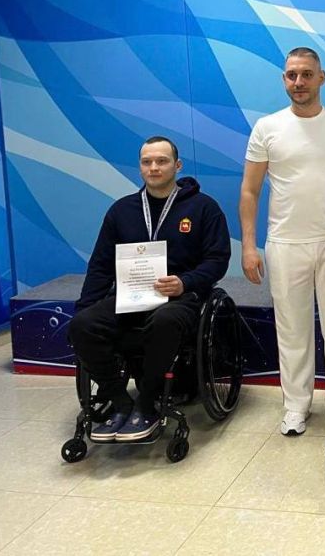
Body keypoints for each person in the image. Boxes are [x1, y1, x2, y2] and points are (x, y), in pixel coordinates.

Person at [240, 46, 325, 436]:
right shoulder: (267, 127)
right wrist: (248, 245)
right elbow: (249, 191)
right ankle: (296, 406)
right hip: (284, 243)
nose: (298, 82)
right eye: (292, 75)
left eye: (306, 75)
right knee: (292, 329)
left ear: (321, 78)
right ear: (284, 79)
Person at [68, 136, 231, 442]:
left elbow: (217, 260)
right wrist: (85, 308)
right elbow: (101, 265)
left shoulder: (203, 208)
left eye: (162, 161)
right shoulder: (121, 211)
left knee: (165, 320)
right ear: (140, 167)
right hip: (131, 296)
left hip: (181, 297)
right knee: (82, 324)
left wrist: (185, 282)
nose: (154, 167)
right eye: (147, 162)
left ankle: (146, 403)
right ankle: (120, 402)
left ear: (177, 166)